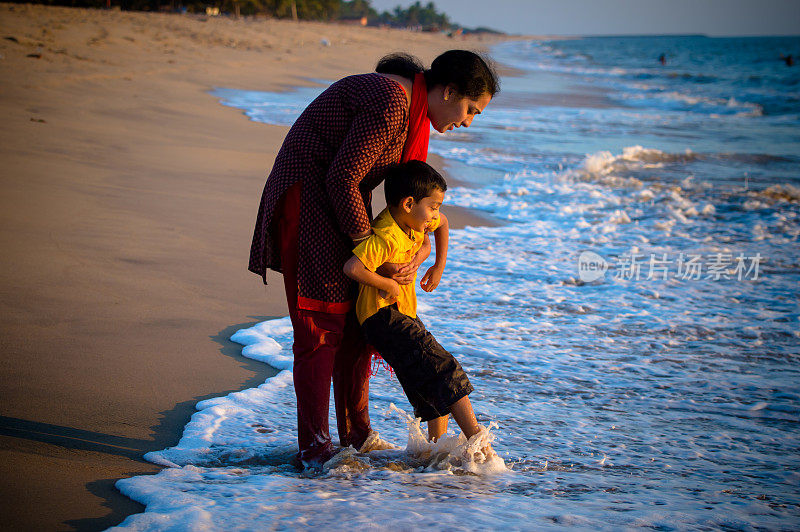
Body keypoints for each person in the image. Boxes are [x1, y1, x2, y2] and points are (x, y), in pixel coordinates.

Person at [248, 50, 499, 468]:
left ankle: (357, 437)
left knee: (356, 325)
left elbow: (404, 203)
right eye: (470, 109)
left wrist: (416, 248)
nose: (468, 121)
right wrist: (370, 249)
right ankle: (316, 449)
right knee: (321, 323)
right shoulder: (392, 101)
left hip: (339, 203)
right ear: (449, 90)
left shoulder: (410, 108)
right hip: (309, 200)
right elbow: (342, 176)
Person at [343, 160, 493, 457]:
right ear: (409, 203)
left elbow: (444, 223)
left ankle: (437, 452)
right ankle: (481, 446)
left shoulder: (415, 220)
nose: (436, 215)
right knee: (444, 368)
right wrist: (386, 285)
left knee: (426, 381)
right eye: (433, 207)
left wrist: (438, 264)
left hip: (402, 313)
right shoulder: (385, 236)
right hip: (381, 316)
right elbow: (353, 267)